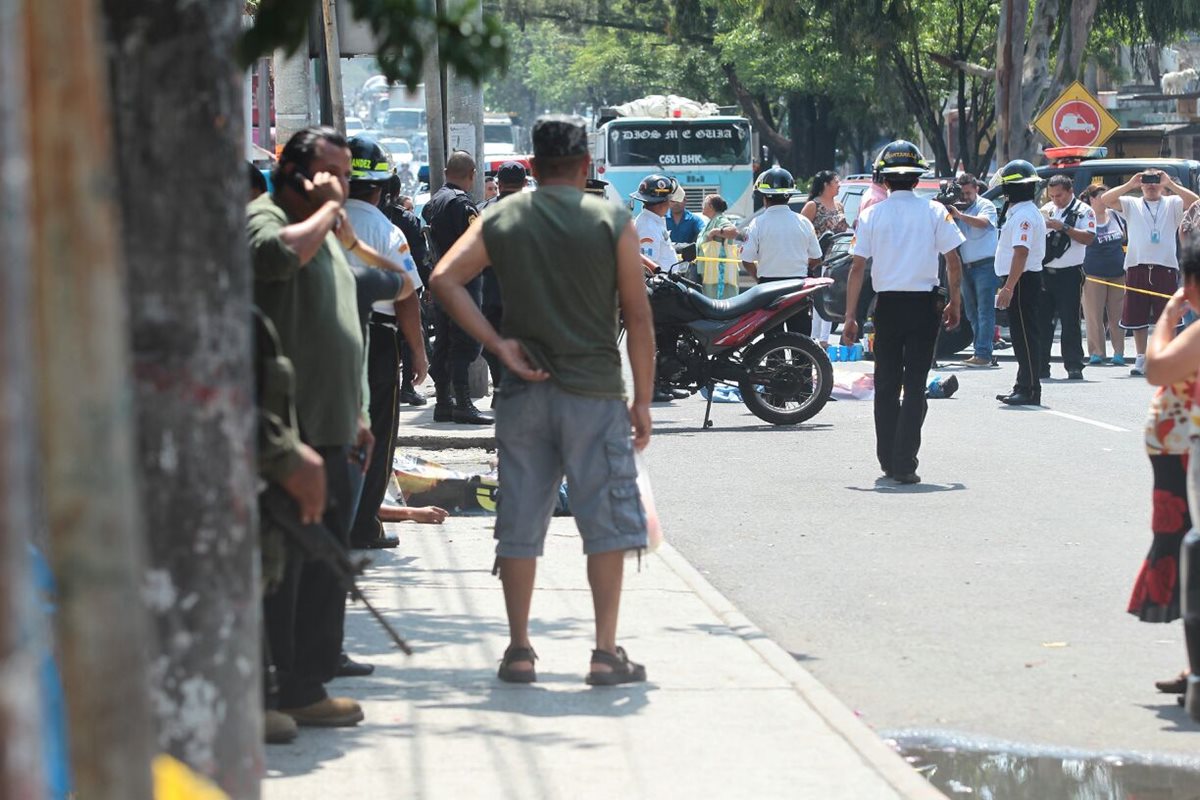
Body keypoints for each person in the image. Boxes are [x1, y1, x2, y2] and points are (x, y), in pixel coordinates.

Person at [429, 115, 656, 686]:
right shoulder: (611, 219)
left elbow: (444, 279)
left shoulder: (504, 214)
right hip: (596, 394)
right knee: (604, 524)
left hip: (522, 393)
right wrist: (644, 401)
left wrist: (497, 345)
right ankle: (605, 652)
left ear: (532, 165)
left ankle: (520, 649)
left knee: (521, 521)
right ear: (585, 166)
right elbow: (638, 314)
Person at [249, 126, 377, 727]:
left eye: (346, 176)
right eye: (331, 174)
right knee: (285, 572)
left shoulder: (328, 229)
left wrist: (358, 411)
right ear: (295, 171)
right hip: (287, 435)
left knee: (326, 566)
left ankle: (307, 685)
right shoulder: (265, 218)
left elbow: (339, 321)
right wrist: (327, 209)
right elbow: (273, 259)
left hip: (334, 425)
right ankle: (275, 690)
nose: (341, 185)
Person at [841, 140, 963, 485]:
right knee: (914, 386)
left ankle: (887, 459)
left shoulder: (869, 215)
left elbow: (857, 268)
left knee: (887, 383)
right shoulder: (936, 211)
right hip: (925, 307)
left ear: (884, 177)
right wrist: (956, 301)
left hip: (888, 307)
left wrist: (850, 316)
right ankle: (904, 461)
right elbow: (953, 261)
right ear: (916, 178)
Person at [342, 136, 425, 551]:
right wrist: (418, 352)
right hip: (376, 340)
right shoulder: (385, 229)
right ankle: (363, 525)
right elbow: (406, 293)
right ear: (382, 187)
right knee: (376, 432)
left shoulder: (316, 221)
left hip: (323, 335)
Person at [1133, 241, 1200, 696]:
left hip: (1187, 460)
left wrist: (1168, 316)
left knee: (1191, 559)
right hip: (1180, 457)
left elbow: (1156, 367)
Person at [1102, 170, 1200, 376]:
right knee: (1137, 315)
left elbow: (1195, 202)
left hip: (1164, 266)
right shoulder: (1132, 203)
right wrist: (1130, 184)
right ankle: (1141, 357)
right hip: (1137, 265)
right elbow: (1105, 199)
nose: (1151, 186)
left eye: (1155, 182)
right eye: (1146, 183)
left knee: (1167, 314)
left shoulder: (1172, 202)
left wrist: (1170, 184)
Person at [423, 151, 492, 424]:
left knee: (444, 340)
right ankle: (462, 403)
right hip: (463, 281)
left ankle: (443, 402)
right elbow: (473, 244)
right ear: (472, 174)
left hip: (440, 281)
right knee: (465, 341)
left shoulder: (433, 203)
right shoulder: (462, 204)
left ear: (445, 172)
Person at [740, 166, 823, 337]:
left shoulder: (757, 224)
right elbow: (816, 257)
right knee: (801, 342)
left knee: (771, 343)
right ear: (790, 194)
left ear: (764, 197)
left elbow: (746, 259)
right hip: (798, 287)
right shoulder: (803, 222)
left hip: (768, 288)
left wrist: (759, 278)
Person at [993, 159, 1048, 406]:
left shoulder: (1024, 215)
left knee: (1025, 337)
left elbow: (1021, 252)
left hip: (1023, 280)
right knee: (1021, 336)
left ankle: (1030, 390)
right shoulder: (1021, 212)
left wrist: (1008, 287)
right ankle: (1023, 385)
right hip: (1021, 279)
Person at [632, 173, 686, 403]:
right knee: (658, 339)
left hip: (666, 286)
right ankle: (654, 386)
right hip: (657, 289)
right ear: (662, 202)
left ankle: (665, 382)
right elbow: (648, 261)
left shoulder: (654, 221)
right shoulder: (647, 225)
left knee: (668, 337)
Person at [1038, 174, 1096, 380]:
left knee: (1070, 320)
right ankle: (1040, 365)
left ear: (1070, 191)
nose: (1056, 199)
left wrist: (1063, 227)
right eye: (1052, 195)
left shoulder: (1083, 211)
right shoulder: (1047, 210)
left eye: (1059, 195)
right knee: (1042, 321)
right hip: (1046, 271)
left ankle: (1074, 365)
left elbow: (1089, 238)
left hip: (1069, 273)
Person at [478, 161, 528, 397]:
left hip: (490, 287)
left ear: (498, 184)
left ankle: (500, 386)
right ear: (525, 184)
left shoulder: (483, 210)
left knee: (493, 343)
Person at [383, 189, 432, 406]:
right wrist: (427, 285)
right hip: (406, 286)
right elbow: (420, 255)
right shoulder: (405, 221)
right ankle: (407, 387)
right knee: (408, 335)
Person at [949, 173, 999, 368]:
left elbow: (984, 223)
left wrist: (959, 215)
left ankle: (983, 353)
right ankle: (981, 349)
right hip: (965, 266)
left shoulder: (985, 205)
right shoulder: (957, 207)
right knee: (971, 311)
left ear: (976, 189)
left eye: (968, 193)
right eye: (962, 194)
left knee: (985, 311)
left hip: (985, 265)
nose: (965, 197)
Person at [1080, 183, 1128, 366]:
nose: (1106, 200)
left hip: (1117, 273)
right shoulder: (1086, 217)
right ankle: (1097, 353)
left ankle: (1119, 353)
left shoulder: (1116, 216)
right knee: (1094, 316)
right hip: (1093, 275)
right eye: (1102, 196)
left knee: (1118, 316)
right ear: (1091, 199)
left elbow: (1124, 239)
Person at [801, 171, 848, 349]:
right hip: (817, 259)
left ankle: (824, 340)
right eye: (836, 181)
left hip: (835, 259)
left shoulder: (839, 205)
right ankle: (814, 339)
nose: (839, 184)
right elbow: (802, 232)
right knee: (818, 299)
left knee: (831, 298)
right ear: (826, 184)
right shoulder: (813, 206)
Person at [697, 193, 741, 299]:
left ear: (711, 206)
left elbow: (733, 232)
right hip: (710, 275)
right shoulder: (711, 221)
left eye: (704, 203)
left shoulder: (719, 220)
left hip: (719, 275)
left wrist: (715, 232)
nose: (701, 206)